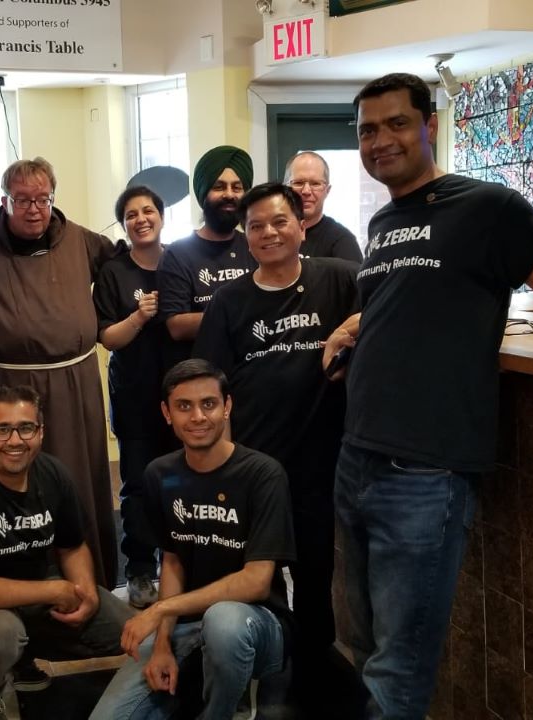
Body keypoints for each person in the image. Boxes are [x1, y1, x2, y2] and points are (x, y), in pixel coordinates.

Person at [320, 73, 533, 719]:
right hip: (358, 461)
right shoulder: (384, 219)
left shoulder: (489, 206)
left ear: (429, 125)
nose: (381, 141)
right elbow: (405, 305)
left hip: (425, 472)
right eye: (368, 130)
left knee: (395, 674)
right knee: (357, 650)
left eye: (397, 123)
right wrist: (357, 330)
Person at [193, 182, 359, 710]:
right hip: (255, 466)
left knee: (315, 574)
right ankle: (253, 669)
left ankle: (307, 678)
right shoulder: (230, 301)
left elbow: (389, 309)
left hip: (319, 459)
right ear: (245, 235)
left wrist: (347, 332)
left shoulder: (337, 279)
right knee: (254, 579)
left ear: (302, 225)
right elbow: (210, 381)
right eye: (257, 225)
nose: (268, 233)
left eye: (279, 221)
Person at [89, 359, 296, 720]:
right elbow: (172, 561)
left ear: (227, 407)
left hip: (256, 624)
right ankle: (198, 679)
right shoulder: (160, 474)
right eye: (184, 406)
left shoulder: (262, 474)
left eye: (209, 404)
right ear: (167, 413)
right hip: (188, 624)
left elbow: (257, 581)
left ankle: (227, 708)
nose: (198, 416)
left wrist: (160, 610)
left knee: (224, 622)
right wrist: (163, 644)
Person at [0, 385, 134, 720]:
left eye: (26, 428)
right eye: (2, 429)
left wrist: (86, 592)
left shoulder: (53, 474)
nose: (15, 440)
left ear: (41, 432)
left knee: (128, 628)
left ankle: (21, 662)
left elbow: (72, 545)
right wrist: (53, 589)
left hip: (30, 596)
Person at [0, 158, 119, 589]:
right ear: (5, 200)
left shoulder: (82, 241)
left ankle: (90, 581)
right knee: (15, 481)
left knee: (78, 478)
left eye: (42, 199)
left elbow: (123, 271)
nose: (33, 209)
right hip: (9, 383)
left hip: (74, 381)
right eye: (23, 200)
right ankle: (20, 580)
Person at [94, 186, 180, 609]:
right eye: (131, 214)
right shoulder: (114, 272)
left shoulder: (182, 261)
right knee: (138, 488)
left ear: (162, 216)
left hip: (181, 398)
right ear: (124, 223)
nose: (141, 218)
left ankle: (181, 564)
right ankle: (141, 570)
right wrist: (139, 316)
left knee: (183, 482)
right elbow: (108, 337)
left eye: (149, 210)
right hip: (134, 396)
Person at [156, 146, 257, 362]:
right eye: (219, 186)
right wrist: (242, 315)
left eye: (237, 187)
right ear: (203, 193)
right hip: (200, 380)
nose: (229, 194)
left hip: (250, 375)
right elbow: (177, 326)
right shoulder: (177, 254)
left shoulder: (254, 246)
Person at [283, 151, 364, 262]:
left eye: (315, 183)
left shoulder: (342, 241)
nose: (306, 191)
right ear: (285, 189)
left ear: (327, 190)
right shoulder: (271, 235)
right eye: (298, 183)